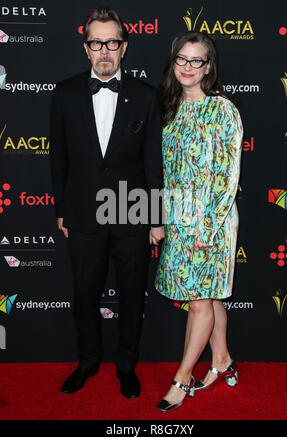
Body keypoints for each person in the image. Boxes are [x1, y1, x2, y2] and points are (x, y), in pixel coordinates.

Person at [50, 5, 164, 398]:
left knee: (132, 295)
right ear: (86, 48)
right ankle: (87, 361)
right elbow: (58, 158)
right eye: (96, 42)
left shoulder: (146, 97)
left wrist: (154, 217)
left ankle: (126, 365)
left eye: (111, 42)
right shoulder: (64, 94)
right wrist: (62, 210)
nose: (104, 50)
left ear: (124, 46)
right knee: (84, 293)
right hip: (82, 214)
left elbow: (152, 160)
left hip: (131, 211)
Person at [155, 31, 243, 412]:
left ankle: (182, 377)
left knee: (198, 302)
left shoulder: (223, 110)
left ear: (208, 67)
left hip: (213, 223)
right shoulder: (170, 111)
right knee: (208, 296)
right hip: (178, 221)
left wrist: (206, 230)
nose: (187, 68)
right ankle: (221, 359)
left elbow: (227, 177)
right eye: (181, 60)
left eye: (196, 61)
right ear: (173, 62)